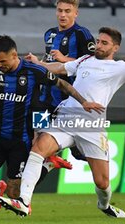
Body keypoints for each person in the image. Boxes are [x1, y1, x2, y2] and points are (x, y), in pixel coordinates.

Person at [0, 27, 125, 218]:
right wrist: (37, 64)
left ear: (115, 47)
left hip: (92, 126)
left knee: (102, 182)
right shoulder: (85, 59)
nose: (99, 45)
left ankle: (104, 205)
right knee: (38, 148)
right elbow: (60, 68)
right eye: (98, 41)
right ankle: (24, 202)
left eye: (104, 43)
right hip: (66, 117)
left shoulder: (119, 68)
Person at [0, 35, 103, 211]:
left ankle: (48, 165)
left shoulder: (34, 71)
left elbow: (62, 84)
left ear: (14, 55)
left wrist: (83, 102)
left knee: (14, 194)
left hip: (21, 140)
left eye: (3, 61)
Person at [35, 0, 96, 163]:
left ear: (76, 13)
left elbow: (93, 63)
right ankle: (48, 163)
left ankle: (100, 163)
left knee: (78, 151)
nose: (63, 15)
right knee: (36, 141)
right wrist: (38, 63)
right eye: (60, 10)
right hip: (45, 98)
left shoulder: (82, 34)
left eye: (67, 11)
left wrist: (65, 60)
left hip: (69, 99)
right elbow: (48, 60)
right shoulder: (49, 34)